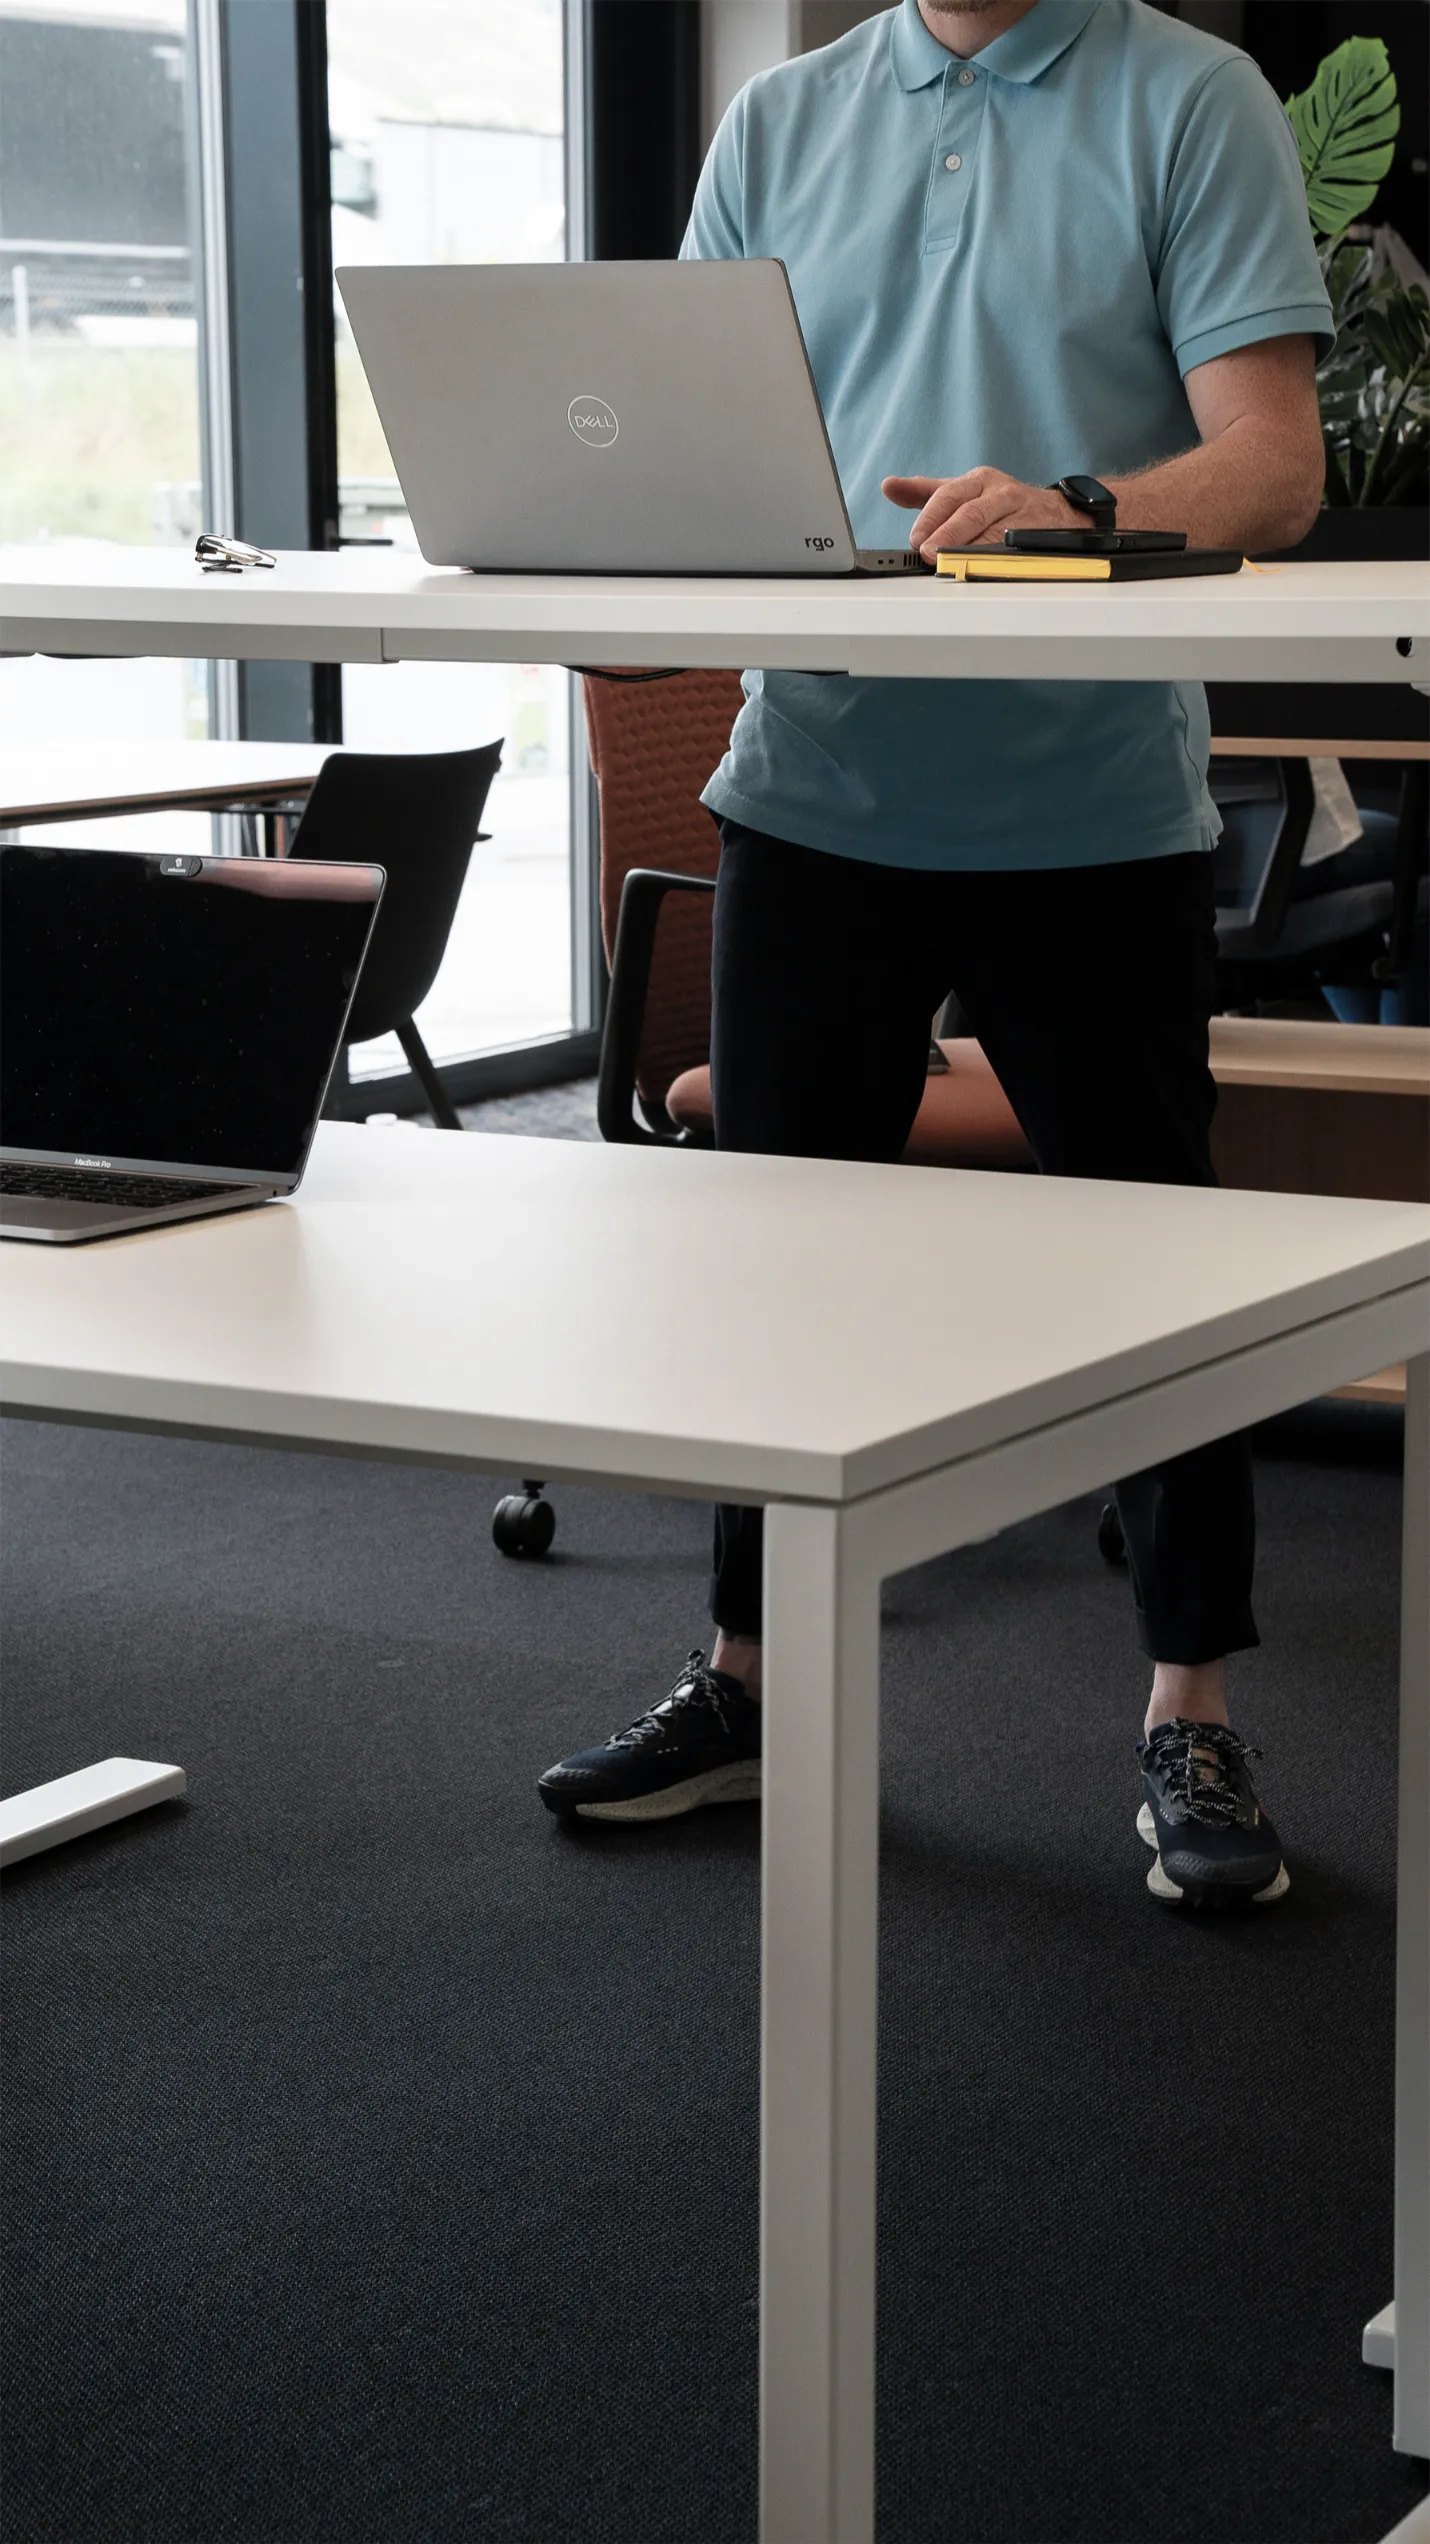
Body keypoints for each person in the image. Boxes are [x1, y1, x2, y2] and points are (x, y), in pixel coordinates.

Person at [539, 0, 1332, 1906]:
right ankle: (747, 1683)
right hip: (812, 783)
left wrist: (1075, 511)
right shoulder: (781, 118)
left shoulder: (1189, 97)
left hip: (1089, 805)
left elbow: (1272, 463)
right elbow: (694, 451)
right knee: (775, 1272)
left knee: (1158, 1278)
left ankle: (1191, 1712)